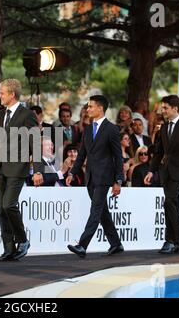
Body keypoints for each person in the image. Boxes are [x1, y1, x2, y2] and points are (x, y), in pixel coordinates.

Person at [0, 78, 43, 261]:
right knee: (1, 210)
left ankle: (22, 240)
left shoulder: (27, 115)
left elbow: (35, 142)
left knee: (8, 204)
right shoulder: (2, 115)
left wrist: (38, 171)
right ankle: (9, 249)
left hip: (18, 168)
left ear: (12, 94)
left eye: (2, 92)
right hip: (0, 168)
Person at [66, 95, 124, 258]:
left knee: (95, 210)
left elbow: (118, 156)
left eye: (91, 106)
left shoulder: (112, 129)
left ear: (100, 108)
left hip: (105, 177)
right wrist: (72, 172)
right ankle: (116, 244)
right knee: (102, 211)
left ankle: (82, 245)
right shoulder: (88, 129)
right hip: (90, 177)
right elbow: (82, 154)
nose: (88, 109)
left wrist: (118, 180)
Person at [144, 95, 179, 254]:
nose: (163, 111)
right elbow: (158, 152)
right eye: (163, 108)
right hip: (165, 172)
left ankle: (169, 240)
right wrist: (151, 171)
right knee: (172, 204)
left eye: (166, 108)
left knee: (168, 202)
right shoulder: (163, 127)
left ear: (175, 109)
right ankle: (178, 242)